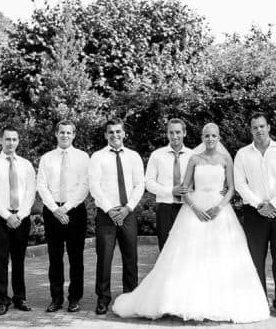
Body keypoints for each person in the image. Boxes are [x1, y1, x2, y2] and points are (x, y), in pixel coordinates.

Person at [112, 123, 270, 323]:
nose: (210, 139)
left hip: (219, 211)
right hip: (195, 211)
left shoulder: (226, 159)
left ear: (219, 137)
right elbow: (185, 188)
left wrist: (220, 206)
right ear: (202, 137)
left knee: (220, 256)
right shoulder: (194, 159)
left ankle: (218, 302)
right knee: (186, 257)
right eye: (206, 136)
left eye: (214, 135)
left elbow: (231, 188)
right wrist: (195, 209)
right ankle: (177, 301)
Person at [233, 112, 276, 318]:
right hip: (254, 212)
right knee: (255, 259)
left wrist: (273, 203)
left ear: (269, 127)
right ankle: (259, 301)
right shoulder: (243, 154)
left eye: (262, 126)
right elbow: (240, 184)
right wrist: (260, 204)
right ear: (250, 130)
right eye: (254, 127)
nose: (259, 130)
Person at [90, 119, 145, 315]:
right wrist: (110, 210)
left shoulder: (134, 157)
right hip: (106, 215)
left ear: (124, 134)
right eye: (111, 132)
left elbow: (139, 185)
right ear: (106, 135)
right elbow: (94, 186)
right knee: (104, 258)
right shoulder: (97, 157)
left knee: (131, 257)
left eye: (118, 132)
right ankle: (103, 298)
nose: (115, 135)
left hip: (127, 213)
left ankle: (130, 298)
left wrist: (128, 208)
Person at [37, 120, 90, 313]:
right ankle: (56, 298)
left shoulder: (84, 158)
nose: (65, 135)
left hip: (75, 211)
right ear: (56, 134)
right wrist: (55, 209)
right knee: (55, 257)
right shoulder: (47, 158)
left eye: (69, 133)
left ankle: (74, 298)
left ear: (74, 135)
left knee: (76, 258)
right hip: (52, 212)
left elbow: (85, 186)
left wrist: (66, 208)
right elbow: (41, 185)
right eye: (62, 132)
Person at [0, 126, 36, 316]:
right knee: (1, 261)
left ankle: (20, 298)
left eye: (14, 139)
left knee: (19, 260)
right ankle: (2, 300)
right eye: (7, 139)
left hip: (21, 218)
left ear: (18, 141)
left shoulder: (26, 165)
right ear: (0, 140)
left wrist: (19, 215)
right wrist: (7, 216)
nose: (10, 143)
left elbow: (31, 193)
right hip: (0, 218)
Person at [145, 118, 194, 250]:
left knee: (186, 247)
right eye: (171, 132)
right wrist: (170, 191)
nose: (174, 136)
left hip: (187, 208)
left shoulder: (193, 156)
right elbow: (148, 182)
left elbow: (199, 181)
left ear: (184, 133)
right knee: (166, 248)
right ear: (167, 134)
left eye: (178, 132)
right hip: (165, 208)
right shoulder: (157, 155)